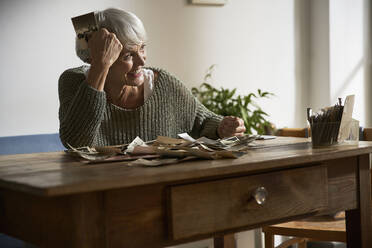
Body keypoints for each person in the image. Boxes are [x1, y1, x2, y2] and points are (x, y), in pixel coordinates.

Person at [59, 8, 245, 148]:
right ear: (99, 57)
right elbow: (76, 143)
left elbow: (204, 121)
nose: (142, 60)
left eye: (142, 48)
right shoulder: (73, 82)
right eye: (127, 56)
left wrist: (223, 127)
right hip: (96, 189)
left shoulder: (164, 83)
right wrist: (99, 67)